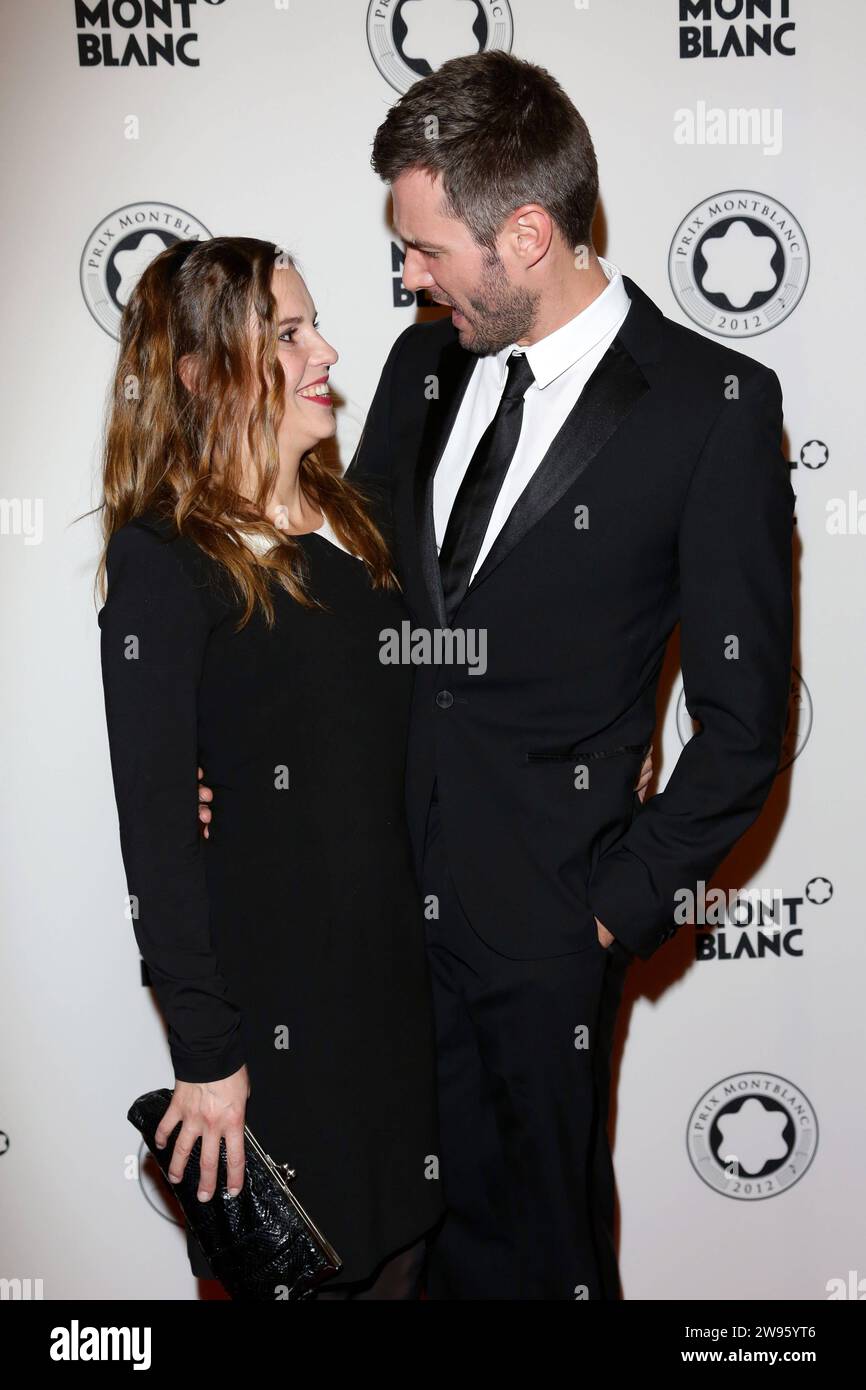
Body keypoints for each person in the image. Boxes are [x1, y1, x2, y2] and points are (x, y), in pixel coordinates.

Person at [343, 51, 794, 1299]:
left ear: (526, 233)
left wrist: (607, 907)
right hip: (374, 914)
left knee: (536, 1265)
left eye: (428, 249)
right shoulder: (417, 369)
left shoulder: (709, 404)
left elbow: (745, 720)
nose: (407, 275)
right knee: (381, 1256)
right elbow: (363, 618)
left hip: (543, 935)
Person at [96, 236, 445, 1298]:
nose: (326, 350)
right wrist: (205, 1053)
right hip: (276, 1028)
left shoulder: (364, 521)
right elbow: (156, 824)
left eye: (312, 325)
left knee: (410, 1258)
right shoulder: (166, 559)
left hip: (405, 1002)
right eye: (286, 334)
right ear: (201, 373)